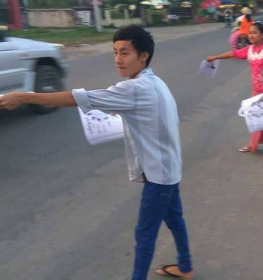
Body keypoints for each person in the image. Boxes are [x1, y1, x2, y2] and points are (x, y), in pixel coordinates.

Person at [0, 25, 194, 280]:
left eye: (125, 53)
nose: (117, 60)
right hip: (169, 166)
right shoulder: (153, 81)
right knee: (175, 219)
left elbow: (76, 98)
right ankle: (186, 267)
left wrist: (25, 97)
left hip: (159, 174)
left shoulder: (134, 89)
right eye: (115, 52)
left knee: (144, 235)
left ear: (143, 55)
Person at [206, 22, 263, 158]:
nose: (251, 35)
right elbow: (232, 53)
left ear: (262, 35)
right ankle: (254, 144)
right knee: (255, 118)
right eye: (250, 33)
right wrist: (215, 57)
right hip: (256, 90)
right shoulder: (249, 50)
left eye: (255, 33)